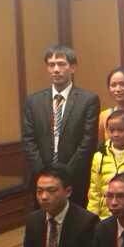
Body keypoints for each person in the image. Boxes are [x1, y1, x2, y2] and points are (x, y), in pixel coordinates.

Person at [22, 45, 100, 207]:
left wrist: (65, 174)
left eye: (61, 64)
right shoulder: (33, 101)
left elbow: (88, 142)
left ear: (73, 68)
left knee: (75, 220)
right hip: (41, 179)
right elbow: (29, 140)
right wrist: (44, 174)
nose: (56, 69)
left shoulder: (88, 100)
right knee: (44, 220)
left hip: (75, 178)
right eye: (51, 65)